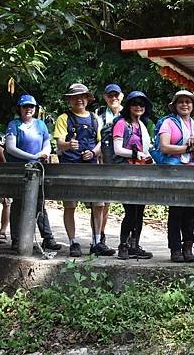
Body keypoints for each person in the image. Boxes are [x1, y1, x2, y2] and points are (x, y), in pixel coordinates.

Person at [53, 83, 115, 257]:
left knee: (98, 203)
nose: (79, 100)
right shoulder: (63, 118)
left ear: (87, 99)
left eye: (82, 96)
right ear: (69, 100)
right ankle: (73, 242)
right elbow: (59, 144)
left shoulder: (95, 118)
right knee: (70, 205)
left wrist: (94, 152)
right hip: (70, 167)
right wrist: (68, 144)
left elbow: (100, 142)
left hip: (91, 167)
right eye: (75, 97)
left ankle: (96, 241)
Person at [159, 90, 194, 263]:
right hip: (174, 172)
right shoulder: (168, 123)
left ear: (193, 106)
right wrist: (187, 148)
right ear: (175, 105)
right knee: (176, 210)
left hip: (192, 171)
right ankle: (175, 248)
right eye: (180, 101)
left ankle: (188, 246)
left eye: (188, 102)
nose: (185, 104)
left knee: (190, 211)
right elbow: (165, 147)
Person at [5, 94, 61, 251]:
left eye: (31, 106)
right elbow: (10, 147)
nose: (29, 109)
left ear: (35, 109)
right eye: (25, 106)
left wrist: (43, 154)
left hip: (37, 169)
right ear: (20, 109)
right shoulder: (14, 124)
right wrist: (32, 157)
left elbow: (47, 144)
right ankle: (16, 238)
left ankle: (48, 238)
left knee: (39, 203)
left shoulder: (41, 124)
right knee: (17, 203)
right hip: (18, 169)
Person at [112, 91, 154, 260]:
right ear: (128, 106)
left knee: (139, 211)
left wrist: (147, 158)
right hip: (126, 172)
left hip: (141, 172)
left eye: (141, 104)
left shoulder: (142, 126)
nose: (138, 107)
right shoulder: (122, 124)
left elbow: (146, 150)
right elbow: (118, 149)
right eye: (135, 104)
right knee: (130, 211)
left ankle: (134, 245)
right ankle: (123, 245)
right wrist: (136, 155)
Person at [97, 83, 124, 245]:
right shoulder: (99, 116)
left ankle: (129, 241)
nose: (113, 98)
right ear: (105, 98)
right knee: (104, 201)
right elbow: (97, 140)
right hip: (104, 162)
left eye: (116, 95)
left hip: (125, 162)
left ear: (121, 96)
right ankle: (100, 235)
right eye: (110, 95)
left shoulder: (129, 114)